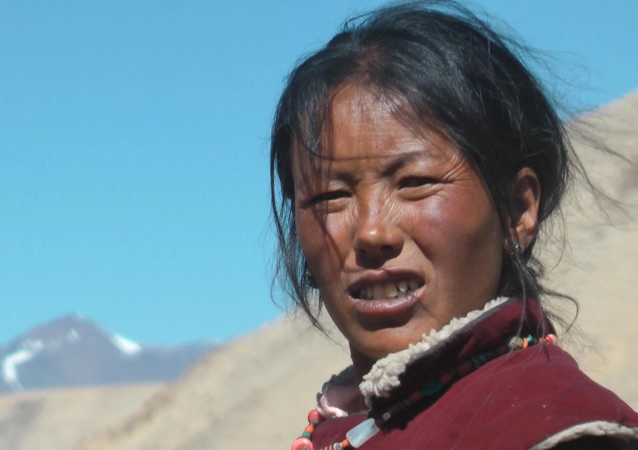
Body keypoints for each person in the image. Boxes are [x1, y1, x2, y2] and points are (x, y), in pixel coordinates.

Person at [269, 1, 638, 449]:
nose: (370, 233)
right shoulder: (351, 424)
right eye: (330, 197)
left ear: (517, 210)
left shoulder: (558, 430)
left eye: (415, 183)